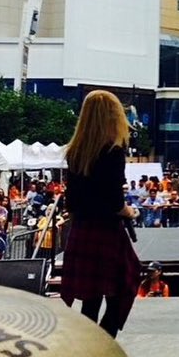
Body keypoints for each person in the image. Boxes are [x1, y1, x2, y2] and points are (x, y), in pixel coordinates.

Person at [60, 90, 142, 339]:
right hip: (106, 230)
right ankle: (105, 343)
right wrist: (130, 211)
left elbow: (72, 200)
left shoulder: (75, 151)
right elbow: (115, 199)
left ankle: (89, 351)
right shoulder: (113, 150)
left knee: (90, 299)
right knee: (124, 286)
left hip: (82, 229)